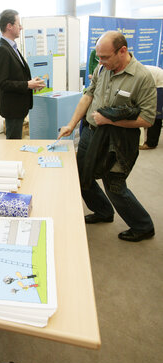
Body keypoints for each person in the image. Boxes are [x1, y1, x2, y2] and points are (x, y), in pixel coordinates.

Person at [59, 30, 157, 242]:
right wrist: (71, 124)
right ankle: (103, 212)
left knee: (114, 185)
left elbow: (147, 120)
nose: (100, 62)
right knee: (82, 176)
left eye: (105, 57)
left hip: (119, 140)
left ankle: (143, 226)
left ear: (122, 51)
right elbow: (89, 95)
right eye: (98, 57)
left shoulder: (141, 77)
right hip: (91, 133)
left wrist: (110, 120)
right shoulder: (102, 68)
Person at [0, 9, 45, 139]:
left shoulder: (11, 47)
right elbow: (2, 83)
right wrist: (27, 84)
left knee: (16, 141)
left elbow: (15, 75)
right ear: (9, 26)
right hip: (13, 108)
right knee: (13, 143)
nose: (21, 27)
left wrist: (32, 83)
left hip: (19, 106)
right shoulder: (2, 50)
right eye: (18, 24)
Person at [139, 65, 163, 149]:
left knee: (156, 115)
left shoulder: (141, 72)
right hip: (156, 83)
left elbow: (148, 88)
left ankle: (151, 143)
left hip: (160, 85)